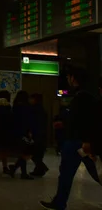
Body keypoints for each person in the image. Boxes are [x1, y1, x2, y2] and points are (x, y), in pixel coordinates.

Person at [41, 68, 99, 210]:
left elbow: (83, 120)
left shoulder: (82, 96)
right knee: (94, 171)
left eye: (68, 77)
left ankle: (59, 203)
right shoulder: (87, 95)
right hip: (80, 141)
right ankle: (59, 202)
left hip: (76, 142)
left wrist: (85, 139)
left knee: (67, 173)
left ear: (73, 78)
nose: (67, 80)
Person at [9, 90, 36, 180]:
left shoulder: (15, 106)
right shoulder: (26, 107)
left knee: (23, 153)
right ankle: (19, 171)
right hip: (24, 132)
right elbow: (28, 121)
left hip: (16, 132)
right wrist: (29, 131)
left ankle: (18, 170)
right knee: (26, 153)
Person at [30, 93, 49, 177]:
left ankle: (42, 168)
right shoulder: (42, 109)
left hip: (37, 134)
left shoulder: (35, 109)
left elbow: (34, 123)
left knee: (34, 154)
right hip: (42, 134)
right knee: (38, 154)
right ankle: (39, 170)